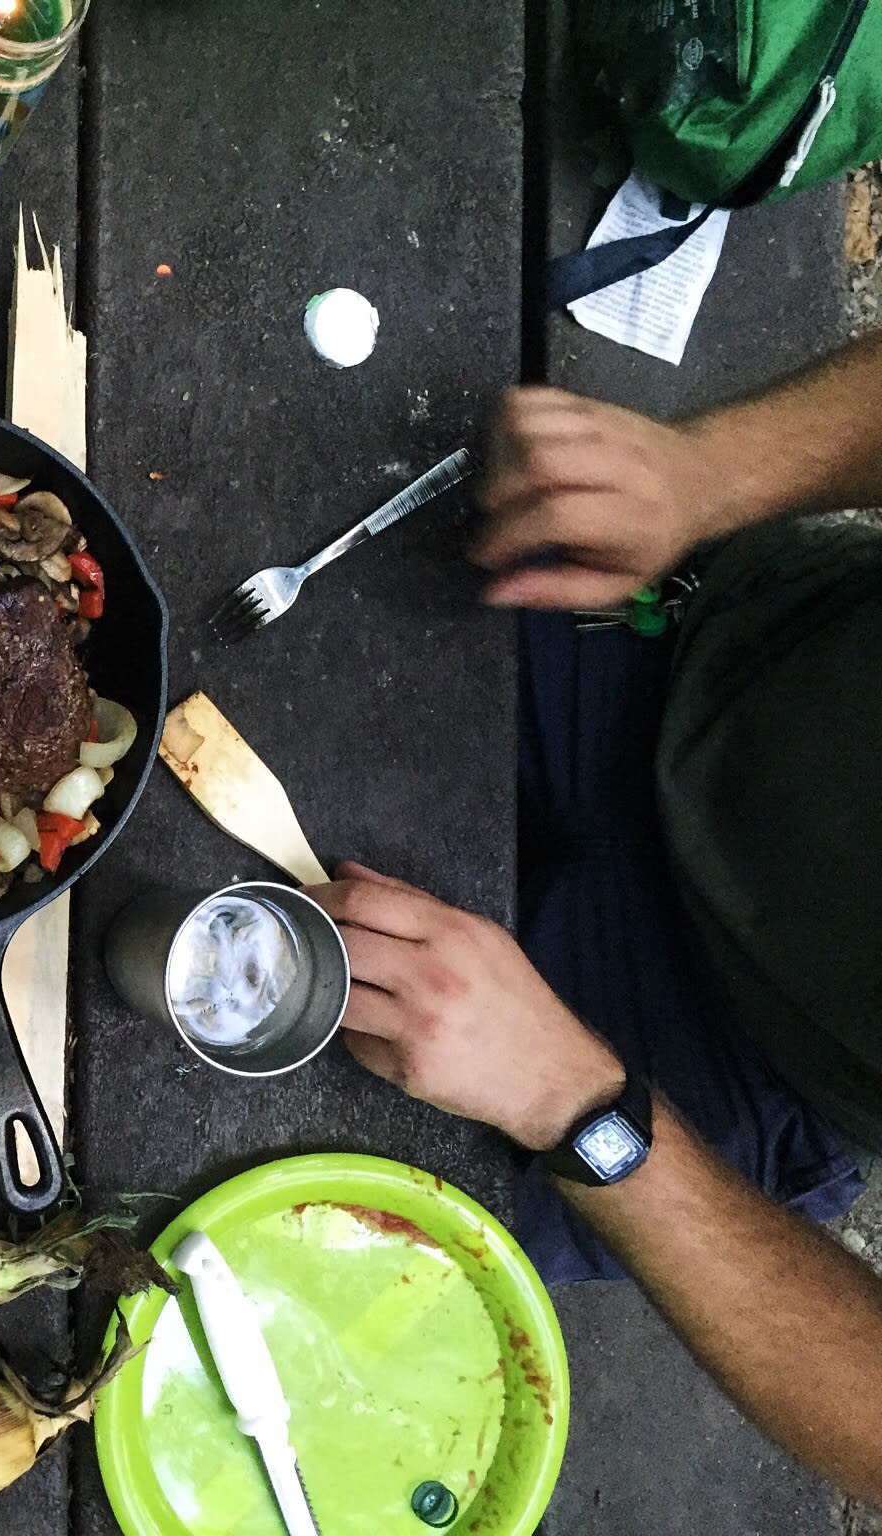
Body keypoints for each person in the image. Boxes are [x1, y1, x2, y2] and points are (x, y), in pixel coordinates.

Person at [306, 330, 882, 1502]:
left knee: (242, 1184)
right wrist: (705, 474)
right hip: (690, 633)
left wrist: (577, 1111)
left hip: (713, 1074)